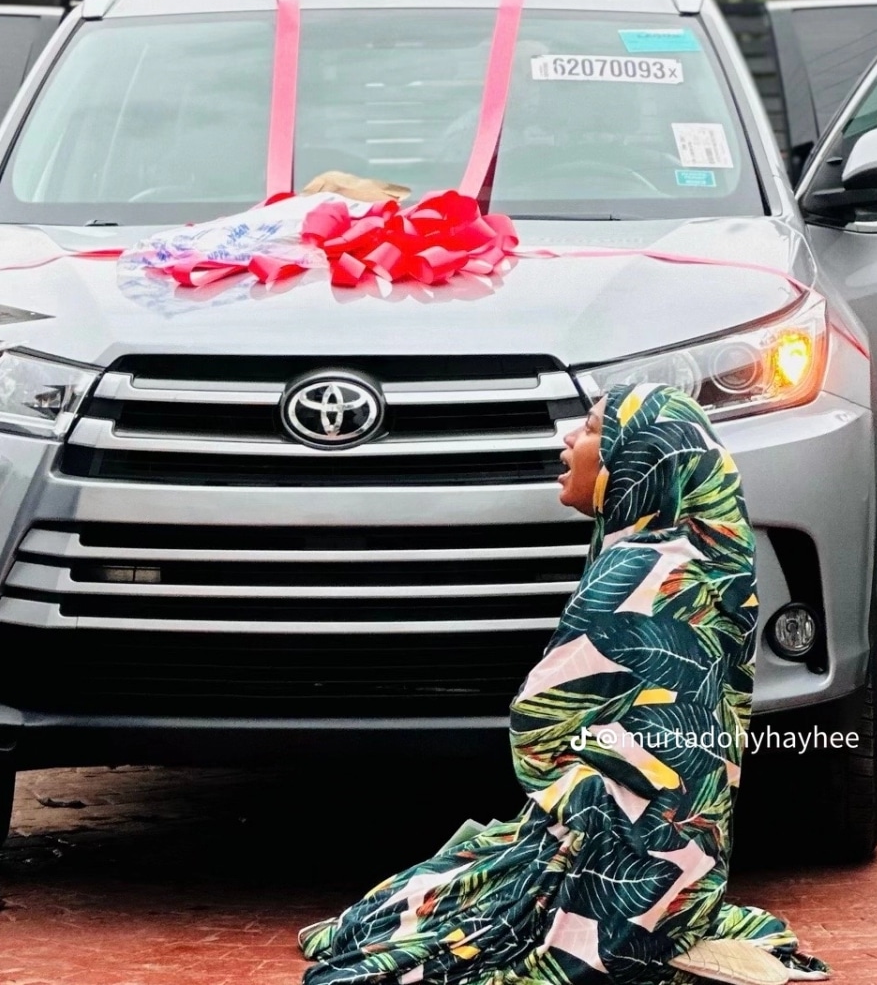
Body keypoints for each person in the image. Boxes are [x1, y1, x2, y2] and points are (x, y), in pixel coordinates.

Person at [298, 383, 830, 985]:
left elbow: (538, 722)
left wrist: (569, 797)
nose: (568, 438)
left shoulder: (640, 569)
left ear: (638, 457)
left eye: (594, 428)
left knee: (451, 909)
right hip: (685, 860)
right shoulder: (706, 565)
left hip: (614, 852)